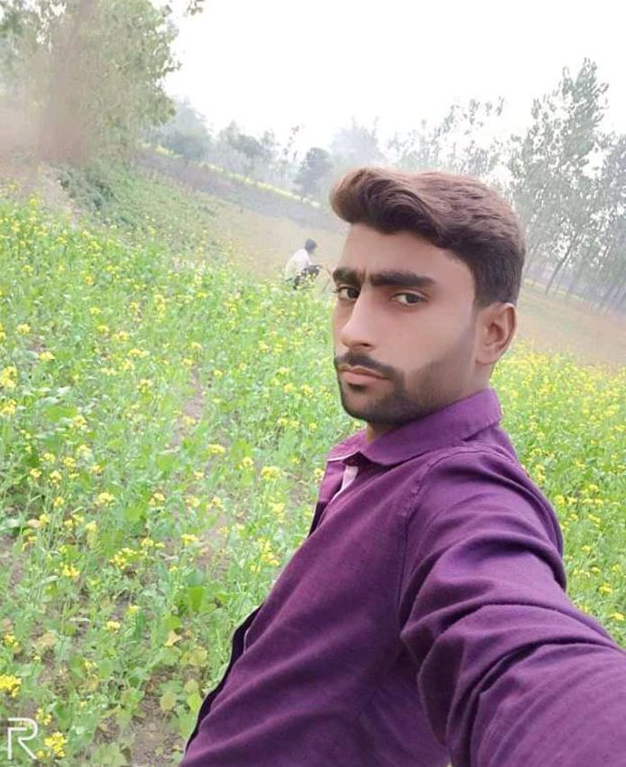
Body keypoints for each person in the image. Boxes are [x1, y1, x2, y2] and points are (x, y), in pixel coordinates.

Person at [179, 167, 626, 767]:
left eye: (407, 298)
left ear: (493, 333)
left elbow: (523, 652)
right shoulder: (385, 456)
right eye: (348, 291)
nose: (354, 331)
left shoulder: (463, 492)